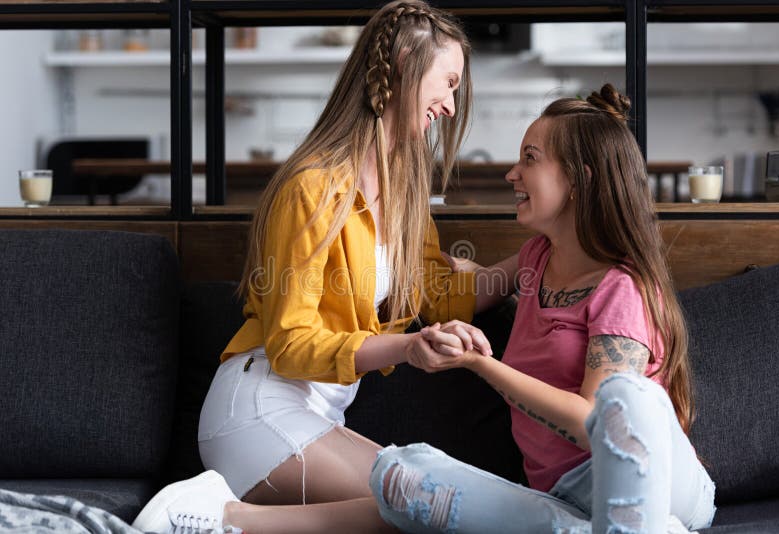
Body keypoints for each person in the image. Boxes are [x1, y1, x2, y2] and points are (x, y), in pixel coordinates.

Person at [133, 1, 518, 533]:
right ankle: (198, 515)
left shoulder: (405, 194)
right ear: (405, 61)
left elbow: (440, 294)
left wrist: (530, 262)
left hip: (313, 418)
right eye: (447, 82)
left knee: (428, 509)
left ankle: (217, 520)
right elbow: (291, 345)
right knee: (430, 503)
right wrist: (407, 347)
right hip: (259, 409)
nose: (451, 105)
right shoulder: (312, 189)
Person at [367, 84, 717, 533]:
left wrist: (480, 364)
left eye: (529, 159)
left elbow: (594, 422)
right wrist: (393, 263)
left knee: (626, 398)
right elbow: (472, 283)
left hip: (656, 477)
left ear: (580, 179)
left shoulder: (622, 288)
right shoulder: (536, 258)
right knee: (399, 477)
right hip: (563, 496)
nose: (513, 174)